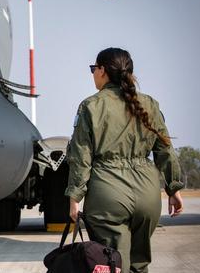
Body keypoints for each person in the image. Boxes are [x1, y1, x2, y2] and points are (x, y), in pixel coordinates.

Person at [65, 47, 184, 272]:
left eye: (93, 69)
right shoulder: (149, 103)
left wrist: (75, 197)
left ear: (102, 71)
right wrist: (173, 188)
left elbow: (81, 156)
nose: (93, 74)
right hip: (148, 194)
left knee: (113, 264)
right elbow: (165, 149)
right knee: (139, 264)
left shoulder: (91, 105)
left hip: (108, 194)